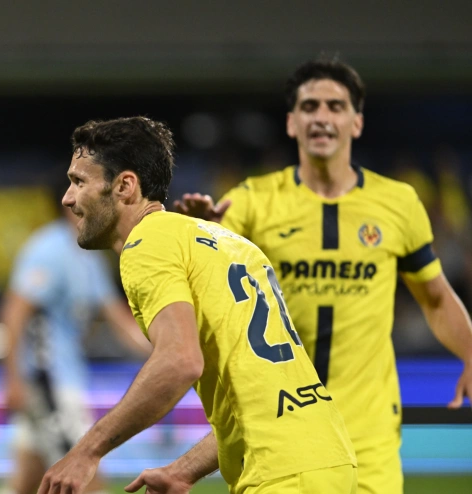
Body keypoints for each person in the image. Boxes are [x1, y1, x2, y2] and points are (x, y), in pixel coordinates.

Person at [175, 57, 472, 494]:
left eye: (336, 106)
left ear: (357, 122)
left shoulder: (398, 203)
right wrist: (200, 232)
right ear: (292, 123)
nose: (322, 116)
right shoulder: (253, 202)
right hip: (286, 428)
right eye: (310, 106)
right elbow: (200, 269)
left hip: (370, 431)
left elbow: (435, 296)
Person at [38, 116, 357, 494]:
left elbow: (180, 361)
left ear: (125, 186)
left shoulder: (145, 245)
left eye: (79, 181)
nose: (67, 198)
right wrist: (183, 470)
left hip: (281, 474)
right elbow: (259, 397)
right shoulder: (229, 242)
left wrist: (85, 452)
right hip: (327, 456)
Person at [0, 205, 150, 494]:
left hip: (59, 380)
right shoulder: (48, 249)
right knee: (86, 479)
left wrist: (164, 351)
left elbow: (117, 318)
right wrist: (11, 378)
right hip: (48, 381)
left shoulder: (88, 256)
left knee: (27, 484)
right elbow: (14, 314)